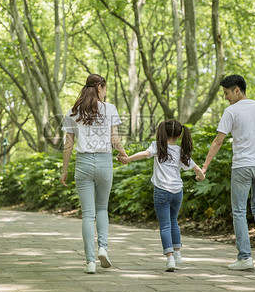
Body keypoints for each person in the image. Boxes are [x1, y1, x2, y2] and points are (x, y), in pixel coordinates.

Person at [201, 74, 255, 270]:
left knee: (238, 211)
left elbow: (218, 141)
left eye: (227, 93)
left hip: (243, 166)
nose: (226, 97)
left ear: (237, 90)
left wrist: (204, 166)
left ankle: (245, 257)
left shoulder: (231, 111)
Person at [60, 74, 127, 274]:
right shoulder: (110, 108)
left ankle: (90, 262)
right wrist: (123, 154)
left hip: (83, 163)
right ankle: (103, 248)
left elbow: (68, 144)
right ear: (99, 87)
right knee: (102, 209)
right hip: (105, 162)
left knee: (88, 215)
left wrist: (64, 170)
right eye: (105, 89)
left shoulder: (73, 111)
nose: (105, 93)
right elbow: (114, 138)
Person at [118, 120, 205, 272]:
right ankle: (178, 254)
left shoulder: (158, 146)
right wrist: (200, 177)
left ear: (163, 132)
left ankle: (170, 258)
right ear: (179, 134)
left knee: (165, 225)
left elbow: (145, 154)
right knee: (174, 222)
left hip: (161, 191)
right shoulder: (181, 151)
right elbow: (196, 168)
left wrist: (127, 158)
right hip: (177, 191)